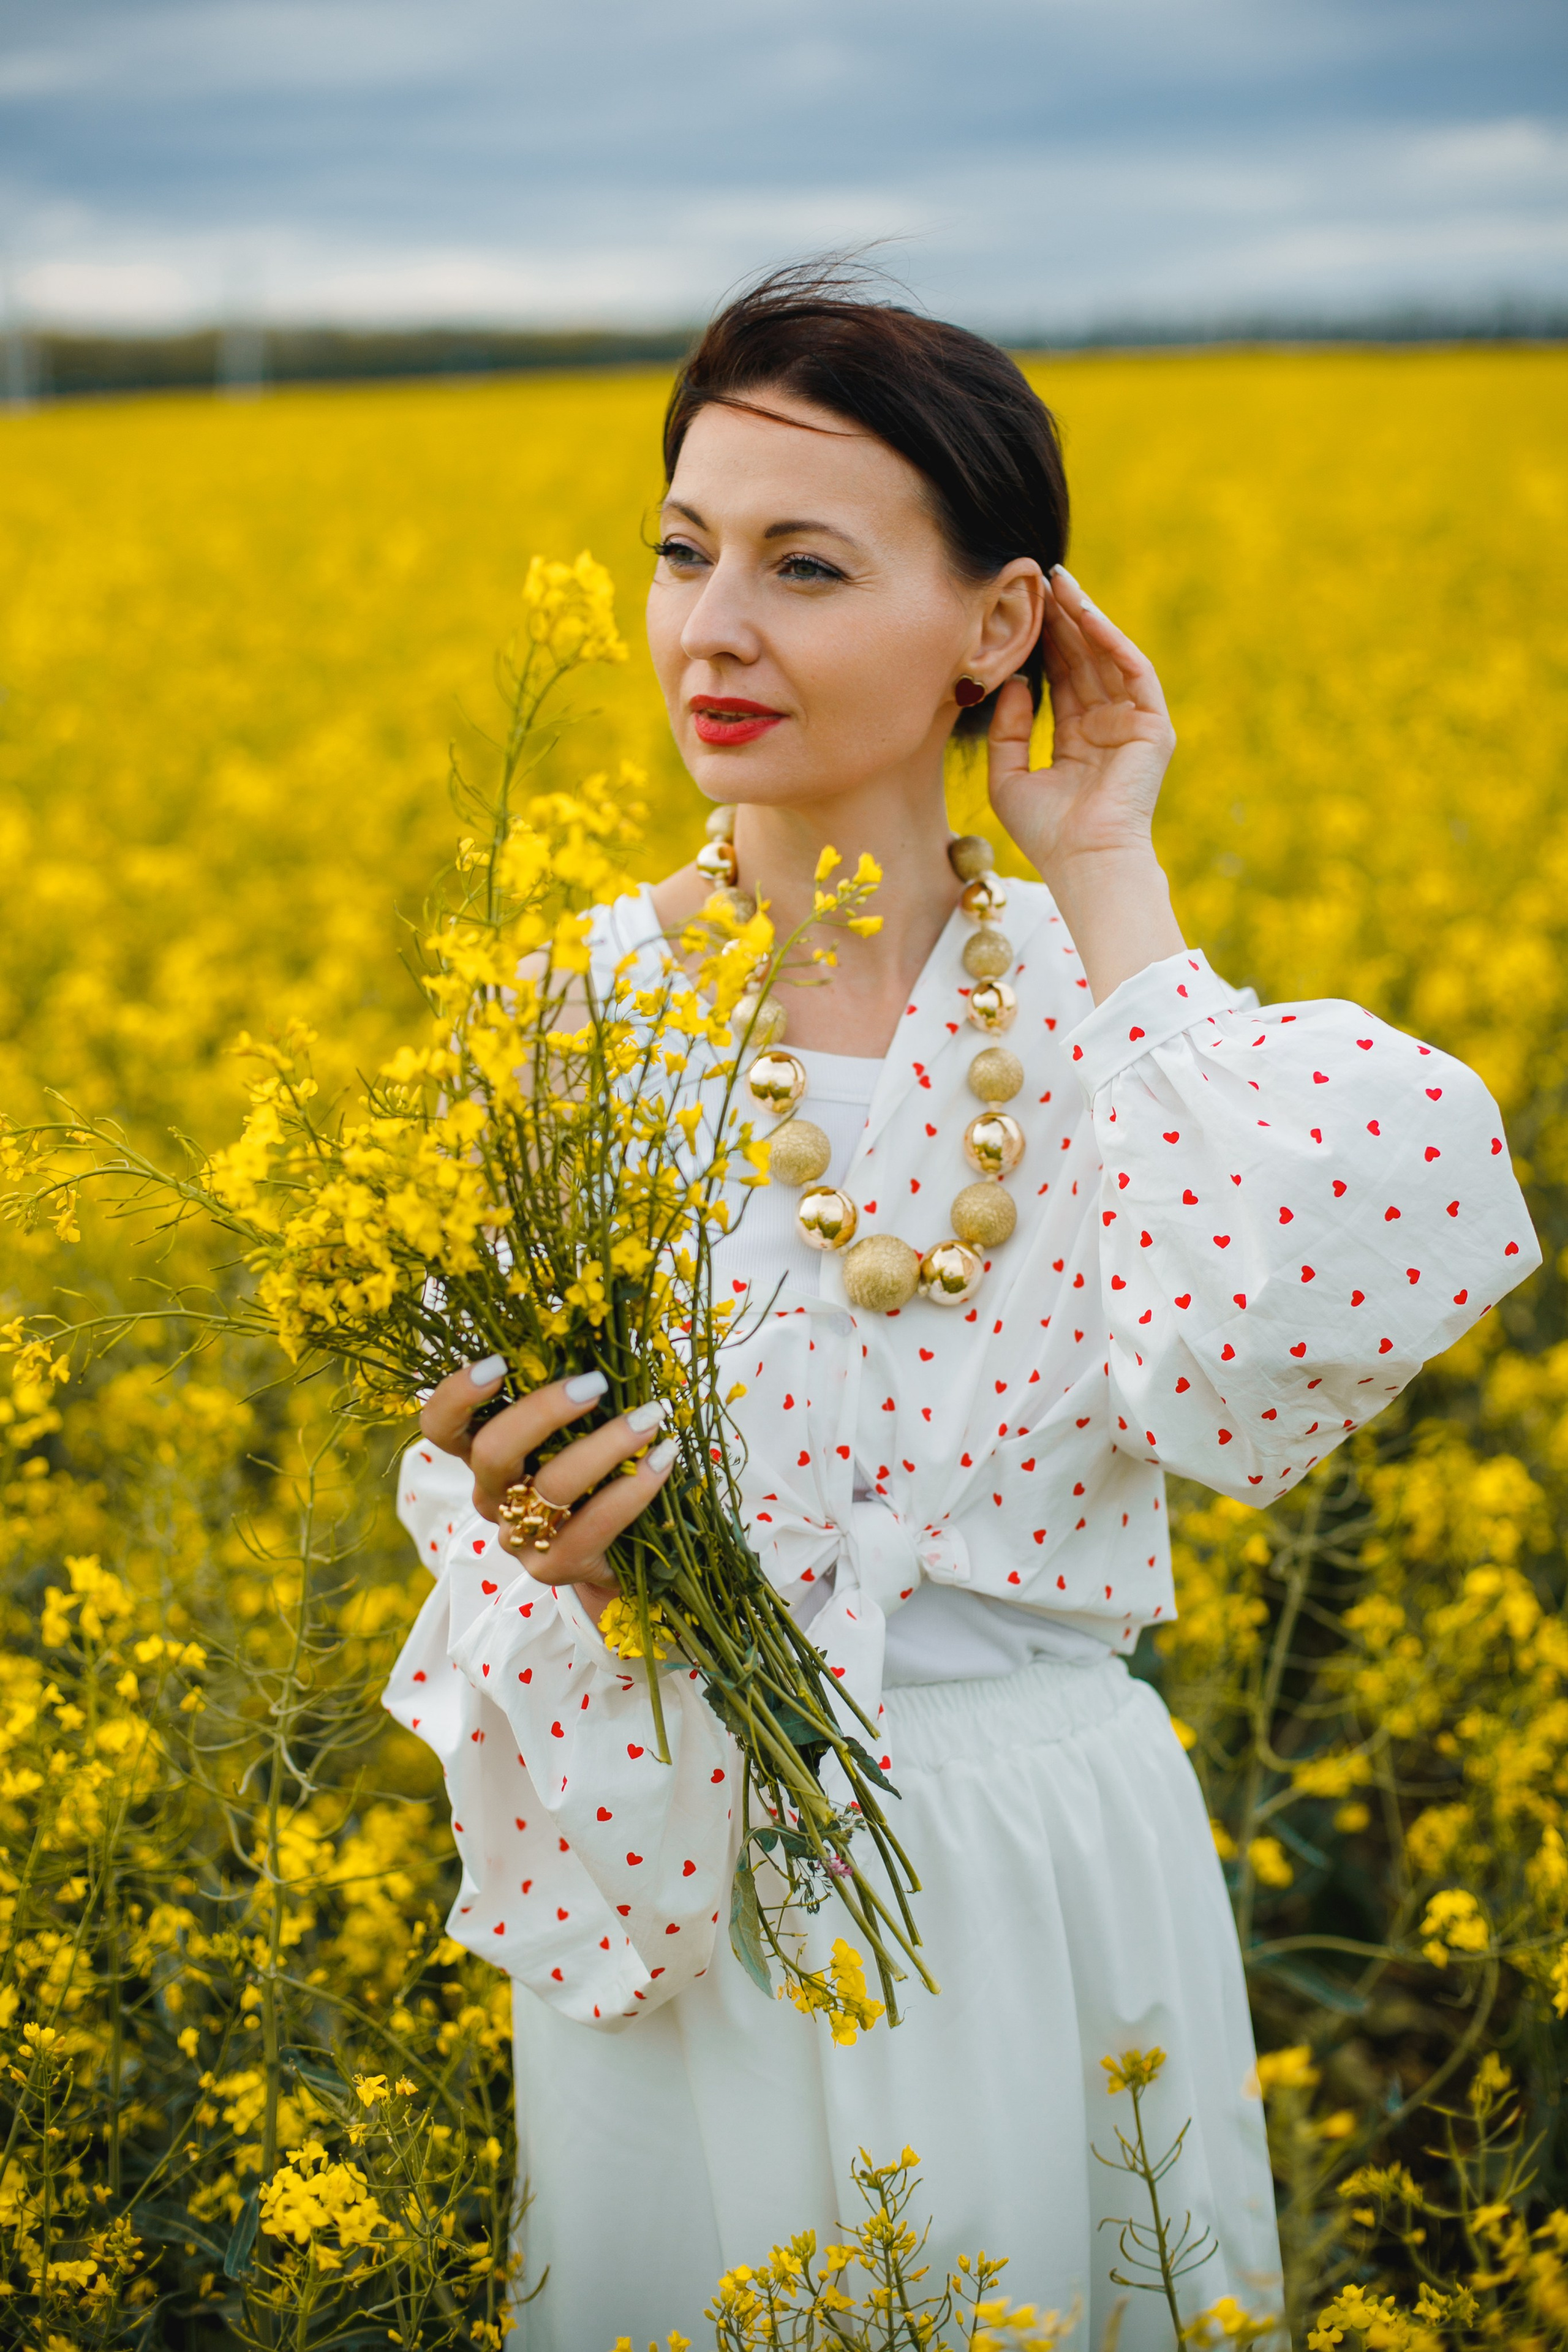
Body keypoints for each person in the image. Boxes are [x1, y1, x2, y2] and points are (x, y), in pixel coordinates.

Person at [386, 268, 1539, 2350]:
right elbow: (498, 1565)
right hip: (700, 1885)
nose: (711, 628)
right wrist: (543, 1554)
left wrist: (1110, 863)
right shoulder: (563, 1017)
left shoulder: (1124, 1024)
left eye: (804, 566)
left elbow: (1267, 1351)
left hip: (1042, 1878)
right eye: (682, 551)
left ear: (998, 625)